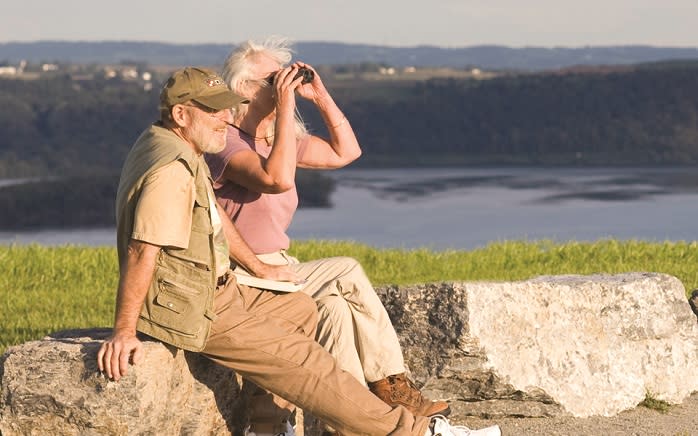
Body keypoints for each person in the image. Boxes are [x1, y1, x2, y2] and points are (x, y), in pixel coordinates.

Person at [96, 66, 500, 436]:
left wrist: (260, 269)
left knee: (302, 309)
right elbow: (141, 250)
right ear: (182, 114)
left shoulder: (175, 145)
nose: (225, 117)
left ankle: (268, 428)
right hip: (199, 307)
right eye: (214, 111)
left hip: (220, 288)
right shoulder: (172, 169)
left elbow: (214, 213)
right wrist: (124, 332)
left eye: (226, 109)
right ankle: (416, 432)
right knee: (309, 366)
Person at [205, 36, 448, 417]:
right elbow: (276, 179)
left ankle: (350, 418)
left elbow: (347, 152)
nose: (283, 83)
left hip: (279, 263)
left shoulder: (277, 138)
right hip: (244, 272)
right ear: (244, 89)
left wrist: (319, 96)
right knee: (347, 270)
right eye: (273, 79)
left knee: (334, 309)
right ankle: (393, 385)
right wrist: (286, 109)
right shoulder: (225, 143)